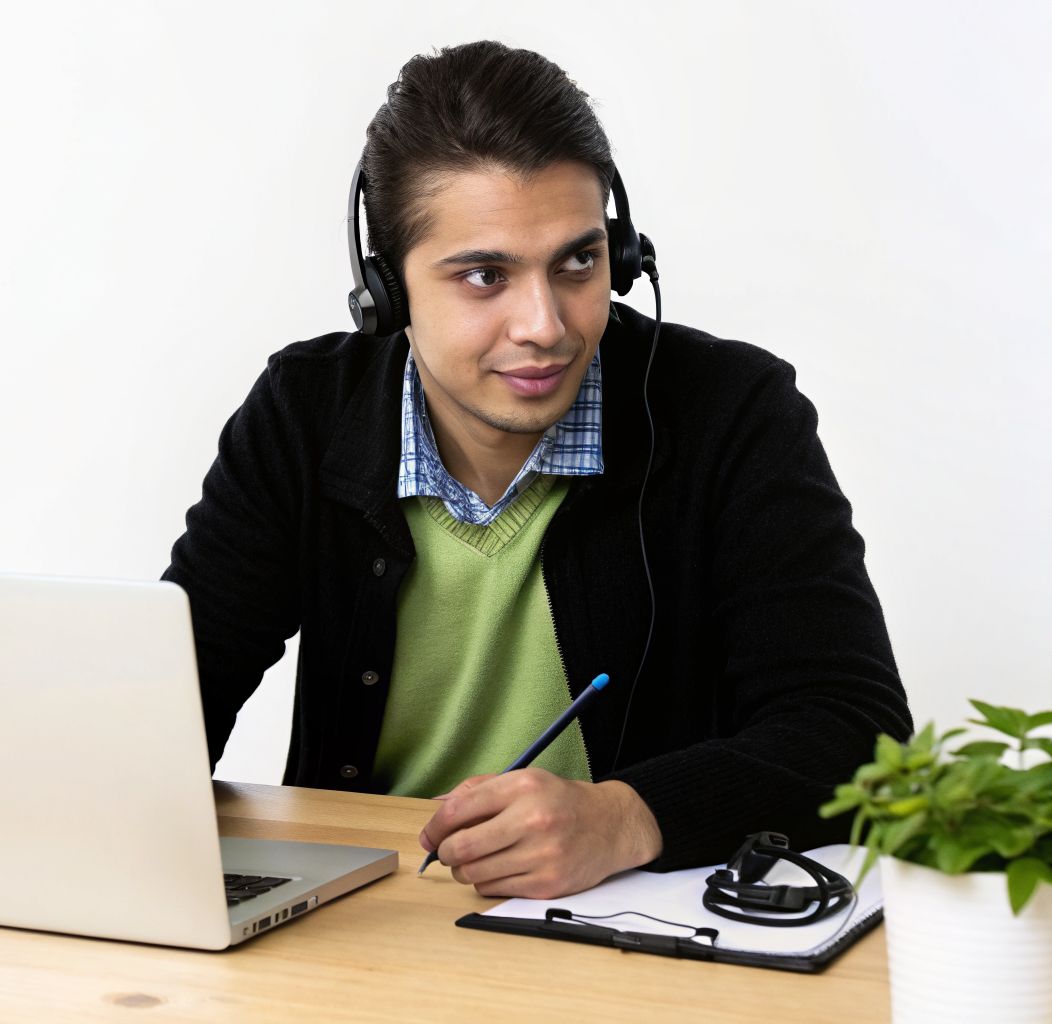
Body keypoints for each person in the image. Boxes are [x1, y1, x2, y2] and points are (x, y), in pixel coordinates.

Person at [159, 40, 911, 900]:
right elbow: (172, 703)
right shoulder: (305, 412)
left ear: (620, 255)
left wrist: (627, 816)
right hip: (366, 914)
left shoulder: (731, 411)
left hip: (622, 929)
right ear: (387, 290)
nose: (546, 325)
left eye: (579, 262)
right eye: (485, 275)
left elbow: (857, 731)